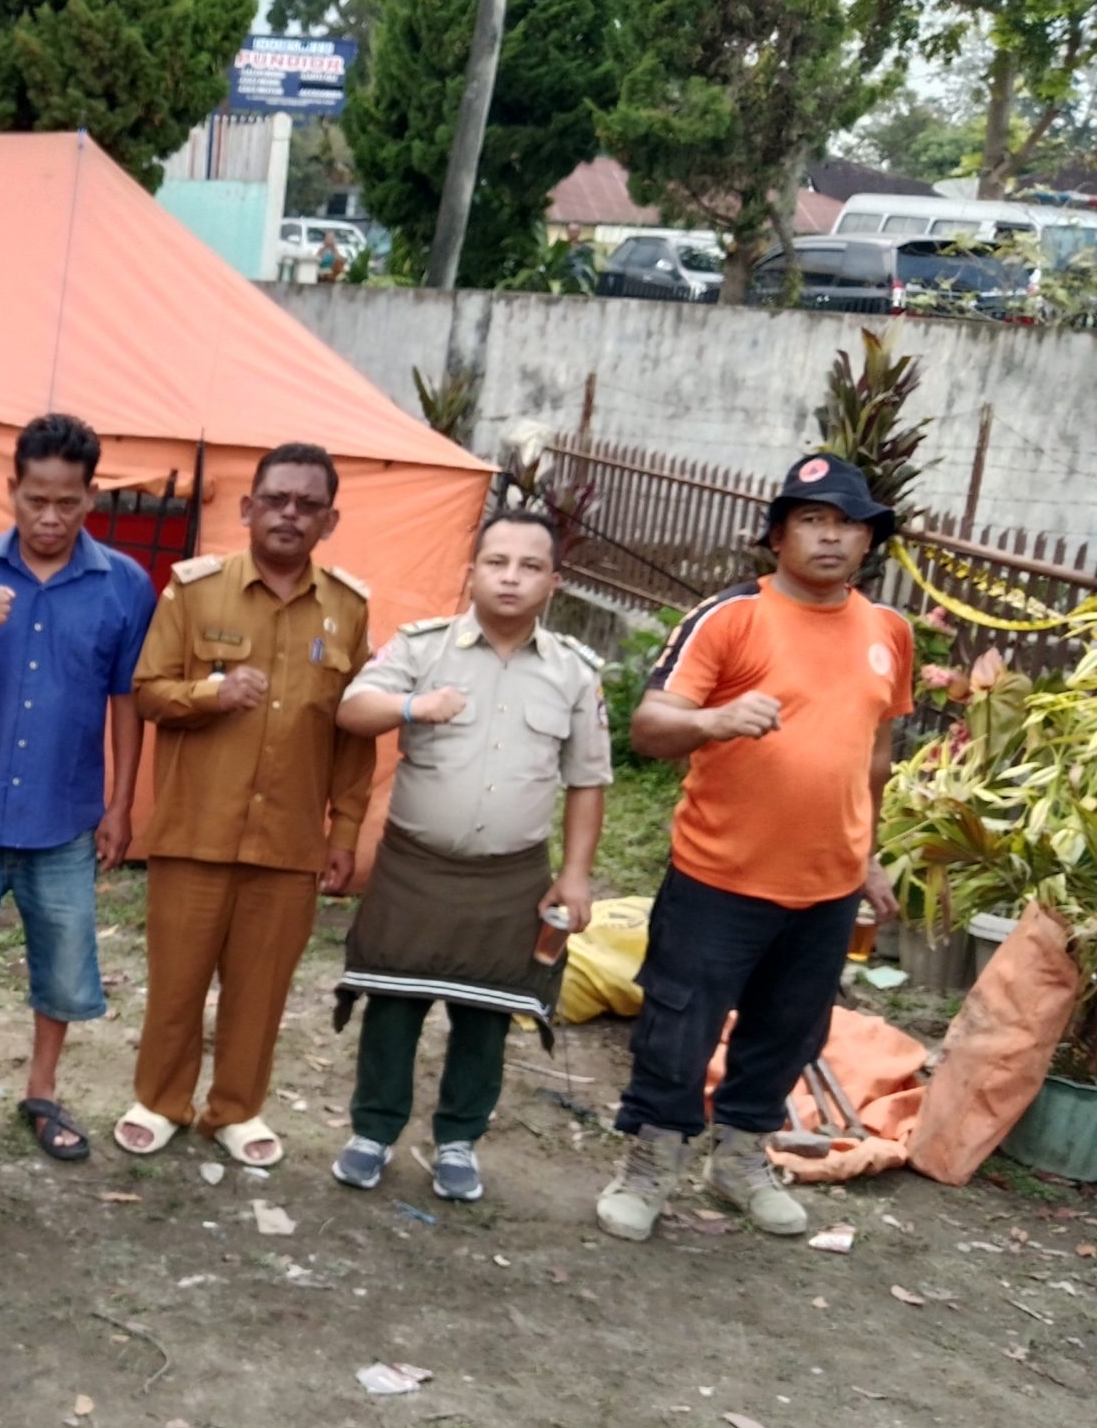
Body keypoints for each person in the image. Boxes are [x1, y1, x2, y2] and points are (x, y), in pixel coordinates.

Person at [596, 453, 910, 1243]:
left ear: (868, 541)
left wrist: (868, 854)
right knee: (678, 1028)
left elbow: (876, 754)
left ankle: (740, 1161)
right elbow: (648, 724)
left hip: (827, 885)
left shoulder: (888, 632)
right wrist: (712, 721)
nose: (831, 537)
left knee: (788, 1031)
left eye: (848, 523)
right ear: (778, 536)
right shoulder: (731, 615)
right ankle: (652, 1165)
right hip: (719, 876)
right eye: (812, 520)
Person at [326, 509, 611, 1202]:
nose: (511, 578)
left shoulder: (573, 672)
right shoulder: (424, 649)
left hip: (510, 879)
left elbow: (587, 781)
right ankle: (374, 1131)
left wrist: (574, 874)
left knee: (486, 1014)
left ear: (554, 582)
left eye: (530, 566)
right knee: (393, 1005)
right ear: (472, 571)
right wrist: (414, 706)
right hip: (415, 868)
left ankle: (458, 1140)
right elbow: (351, 708)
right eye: (497, 562)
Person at [0, 412, 156, 1162]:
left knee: (64, 962)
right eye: (35, 499)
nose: (50, 517)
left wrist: (119, 806)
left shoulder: (124, 584)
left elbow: (127, 699)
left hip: (67, 816)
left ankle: (41, 1092)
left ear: (91, 498)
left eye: (67, 502)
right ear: (11, 490)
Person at [121, 442, 375, 1167]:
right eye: (275, 500)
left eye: (306, 504)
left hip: (289, 838)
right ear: (247, 508)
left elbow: (353, 732)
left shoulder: (348, 611)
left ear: (329, 519)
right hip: (194, 828)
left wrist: (346, 830)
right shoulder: (194, 592)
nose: (289, 514)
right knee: (177, 979)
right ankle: (161, 1101)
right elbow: (147, 691)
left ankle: (235, 1109)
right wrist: (211, 693)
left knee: (261, 987)